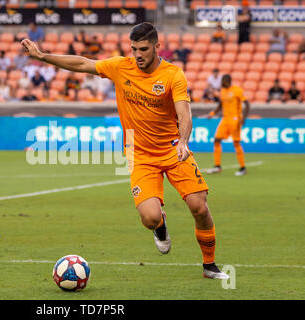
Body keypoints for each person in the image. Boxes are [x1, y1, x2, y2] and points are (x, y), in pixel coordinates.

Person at [21, 22, 229, 279]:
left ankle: (209, 265)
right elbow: (82, 63)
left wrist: (184, 142)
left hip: (173, 149)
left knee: (199, 206)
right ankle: (160, 226)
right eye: (134, 49)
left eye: (143, 49)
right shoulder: (121, 67)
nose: (138, 55)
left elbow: (184, 112)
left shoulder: (173, 75)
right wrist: (42, 57)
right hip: (139, 154)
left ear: (156, 46)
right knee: (150, 218)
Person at [207, 74, 250, 176]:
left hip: (235, 119)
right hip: (225, 120)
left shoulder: (237, 90)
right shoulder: (222, 91)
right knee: (216, 140)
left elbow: (247, 104)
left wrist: (243, 118)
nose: (222, 83)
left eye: (224, 81)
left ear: (229, 81)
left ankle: (243, 168)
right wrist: (212, 113)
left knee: (236, 143)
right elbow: (221, 104)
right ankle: (217, 166)